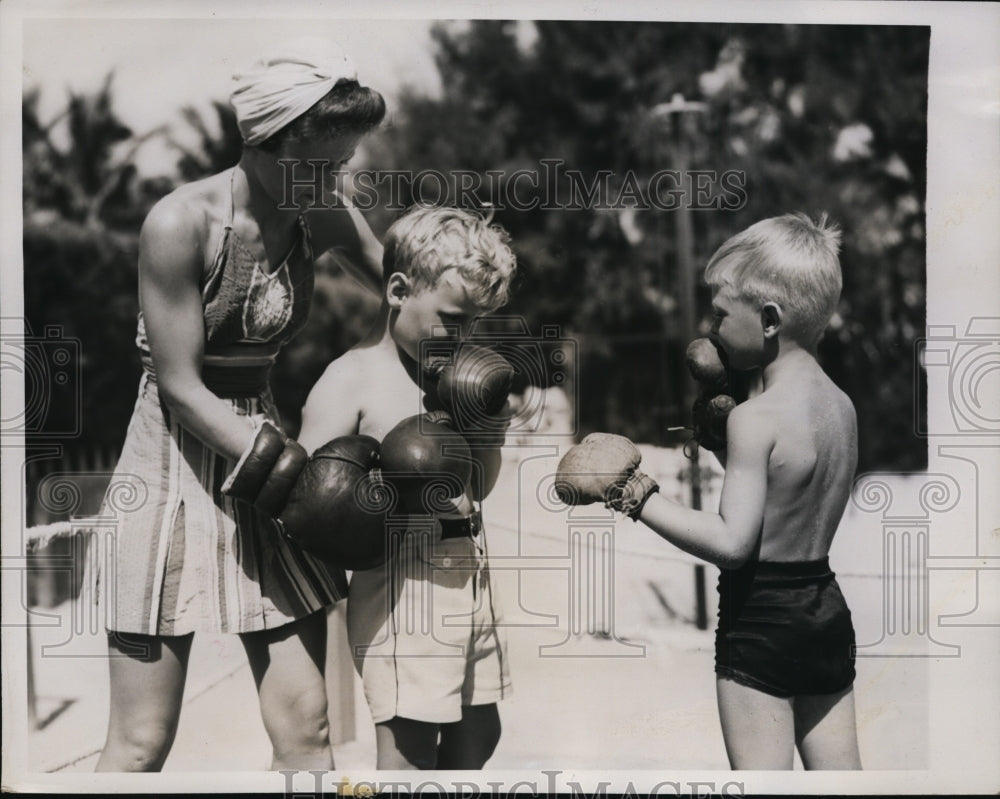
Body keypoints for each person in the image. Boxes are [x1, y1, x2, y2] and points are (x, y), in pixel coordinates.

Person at [94, 38, 386, 771]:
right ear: (264, 142)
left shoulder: (319, 213)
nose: (330, 181)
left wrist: (470, 321)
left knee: (309, 732)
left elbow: (407, 284)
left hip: (265, 461)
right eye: (317, 164)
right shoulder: (178, 223)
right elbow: (181, 386)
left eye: (341, 165)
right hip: (170, 460)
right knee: (140, 743)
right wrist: (286, 466)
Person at [555, 213, 862, 770]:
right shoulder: (842, 405)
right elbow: (787, 498)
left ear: (769, 319)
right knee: (844, 784)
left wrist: (636, 493)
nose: (712, 327)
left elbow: (733, 542)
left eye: (721, 313)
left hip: (761, 618)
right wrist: (723, 449)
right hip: (825, 611)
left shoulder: (757, 418)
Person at [297, 205, 517, 770]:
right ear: (398, 289)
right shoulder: (350, 379)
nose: (464, 336)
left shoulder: (458, 380)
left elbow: (479, 489)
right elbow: (312, 500)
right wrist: (384, 496)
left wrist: (486, 432)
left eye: (475, 323)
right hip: (401, 589)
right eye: (452, 318)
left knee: (479, 733)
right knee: (409, 751)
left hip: (467, 570)